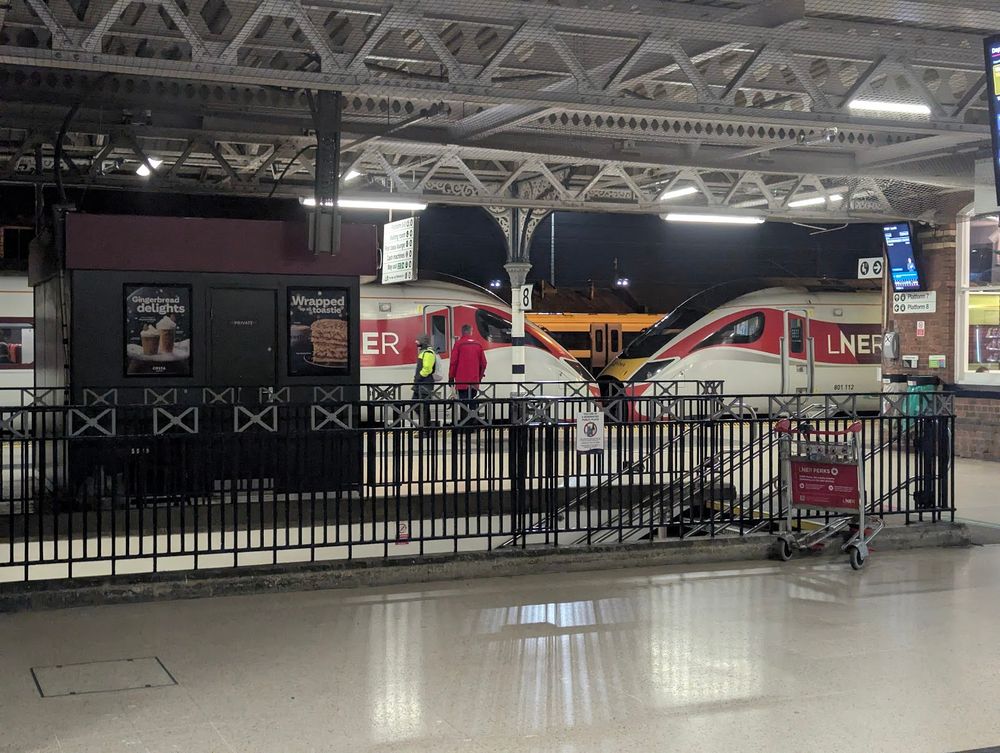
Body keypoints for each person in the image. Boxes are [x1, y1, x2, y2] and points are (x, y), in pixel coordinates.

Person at [449, 324, 488, 419]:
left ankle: (465, 426)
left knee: (463, 404)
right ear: (471, 332)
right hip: (474, 381)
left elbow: (453, 362)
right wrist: (479, 377)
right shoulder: (478, 344)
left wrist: (451, 377)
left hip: (461, 381)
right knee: (473, 402)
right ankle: (473, 424)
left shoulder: (458, 344)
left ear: (462, 332)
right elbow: (484, 363)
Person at [412, 333, 437, 425]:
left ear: (423, 342)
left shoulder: (428, 353)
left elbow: (427, 368)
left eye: (418, 340)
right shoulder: (423, 352)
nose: (416, 342)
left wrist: (419, 377)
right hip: (420, 385)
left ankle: (425, 428)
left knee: (423, 407)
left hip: (425, 384)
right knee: (419, 406)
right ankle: (425, 426)